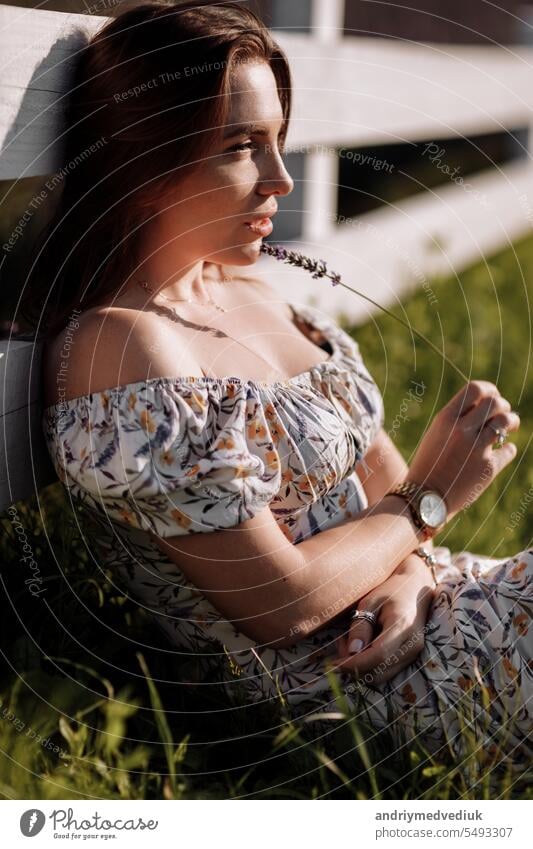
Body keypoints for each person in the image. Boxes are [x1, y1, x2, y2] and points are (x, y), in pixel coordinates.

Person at [26, 1, 531, 777]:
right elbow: (280, 601)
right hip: (378, 688)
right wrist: (432, 496)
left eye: (278, 142)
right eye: (241, 146)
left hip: (435, 612)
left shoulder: (256, 293)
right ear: (148, 157)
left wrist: (411, 583)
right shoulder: (122, 346)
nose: (279, 178)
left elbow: (388, 494)